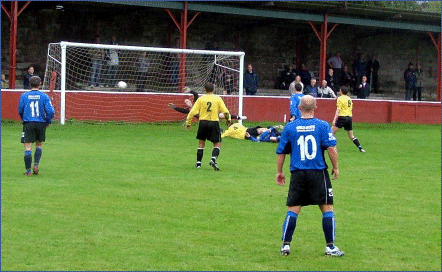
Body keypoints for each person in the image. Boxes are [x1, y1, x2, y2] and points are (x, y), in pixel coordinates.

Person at [276, 95, 344, 257]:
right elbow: (331, 148)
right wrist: (335, 167)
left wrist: (279, 171)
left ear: (299, 108)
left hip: (297, 173)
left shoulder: (290, 127)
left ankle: (285, 245)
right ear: (315, 107)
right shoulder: (322, 126)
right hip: (318, 172)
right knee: (327, 208)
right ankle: (330, 247)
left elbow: (281, 152)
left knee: (293, 208)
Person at [185, 82, 232, 170]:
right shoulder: (218, 99)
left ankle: (198, 164)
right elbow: (225, 111)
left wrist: (188, 123)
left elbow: (192, 112)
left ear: (204, 90)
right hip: (214, 122)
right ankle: (213, 159)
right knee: (217, 144)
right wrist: (228, 120)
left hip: (203, 122)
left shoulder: (201, 99)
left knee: (201, 143)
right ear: (213, 89)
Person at [18, 76, 55, 176]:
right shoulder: (44, 96)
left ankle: (28, 171)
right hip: (41, 123)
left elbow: (20, 110)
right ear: (40, 84)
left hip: (28, 123)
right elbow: (51, 111)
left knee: (28, 146)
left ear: (29, 84)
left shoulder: (24, 96)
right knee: (38, 145)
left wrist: (24, 120)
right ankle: (36, 165)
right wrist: (48, 121)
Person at [168, 87, 243, 120]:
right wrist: (174, 107)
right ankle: (220, 131)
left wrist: (190, 91)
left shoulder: (196, 102)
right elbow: (181, 110)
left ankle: (237, 117)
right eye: (186, 102)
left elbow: (196, 94)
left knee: (222, 115)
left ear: (190, 101)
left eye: (187, 101)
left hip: (209, 113)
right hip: (204, 119)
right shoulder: (189, 110)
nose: (187, 102)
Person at [332, 86, 366, 153]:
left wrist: (334, 119)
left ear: (341, 91)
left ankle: (328, 147)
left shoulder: (340, 98)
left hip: (342, 117)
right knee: (351, 136)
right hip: (349, 118)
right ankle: (360, 148)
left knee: (331, 133)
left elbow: (338, 109)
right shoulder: (349, 98)